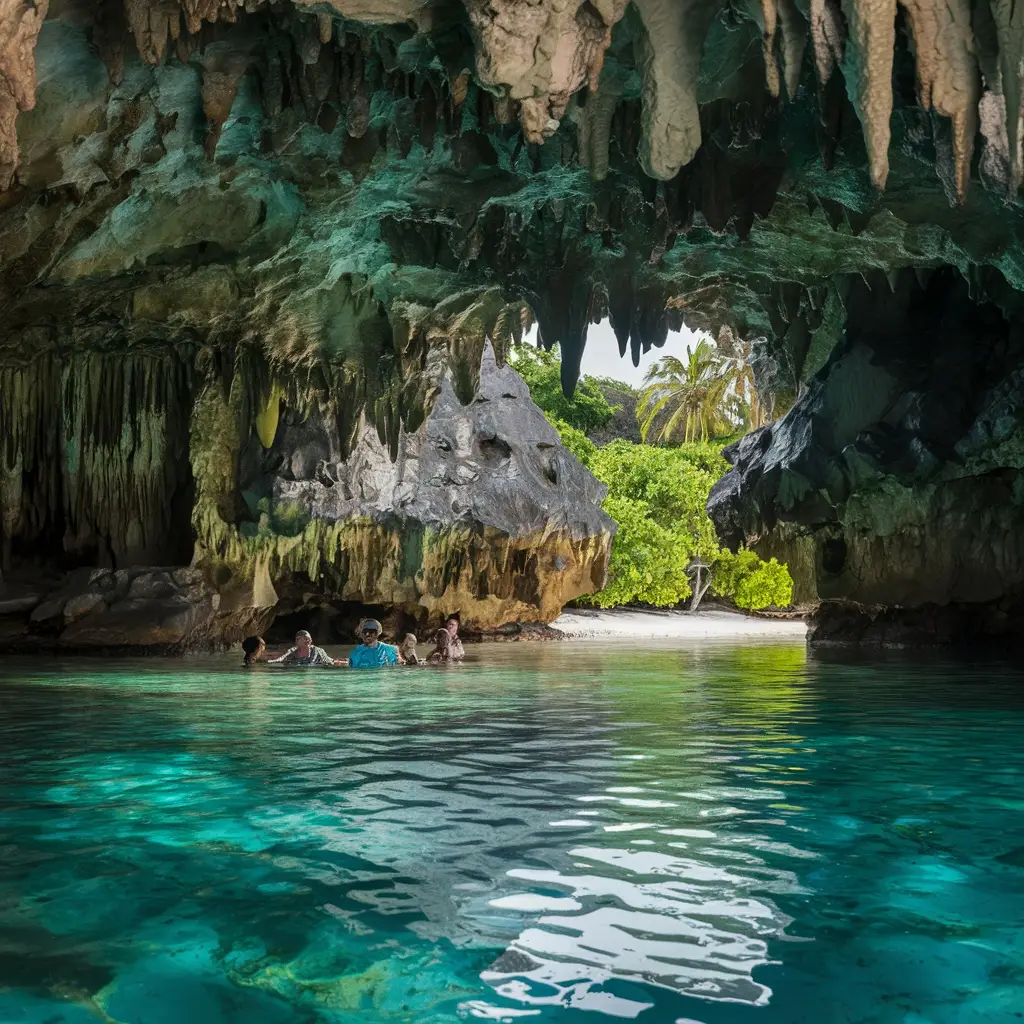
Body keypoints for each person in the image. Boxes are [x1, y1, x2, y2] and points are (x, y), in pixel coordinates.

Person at [269, 629, 342, 666]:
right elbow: (283, 658)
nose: (308, 640)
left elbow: (328, 662)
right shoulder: (293, 651)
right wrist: (273, 661)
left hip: (318, 667)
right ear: (297, 640)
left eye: (309, 639)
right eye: (305, 638)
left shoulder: (317, 651)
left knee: (335, 662)